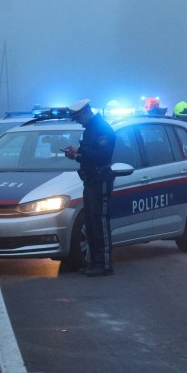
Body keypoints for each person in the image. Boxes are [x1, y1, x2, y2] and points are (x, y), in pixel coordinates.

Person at [64, 99, 117, 276]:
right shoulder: (90, 130)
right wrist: (76, 155)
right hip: (90, 180)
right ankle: (94, 262)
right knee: (90, 222)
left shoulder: (103, 129)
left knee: (100, 222)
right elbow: (89, 155)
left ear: (86, 112)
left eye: (78, 118)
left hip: (100, 180)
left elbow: (103, 155)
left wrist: (81, 151)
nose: (78, 121)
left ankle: (105, 264)